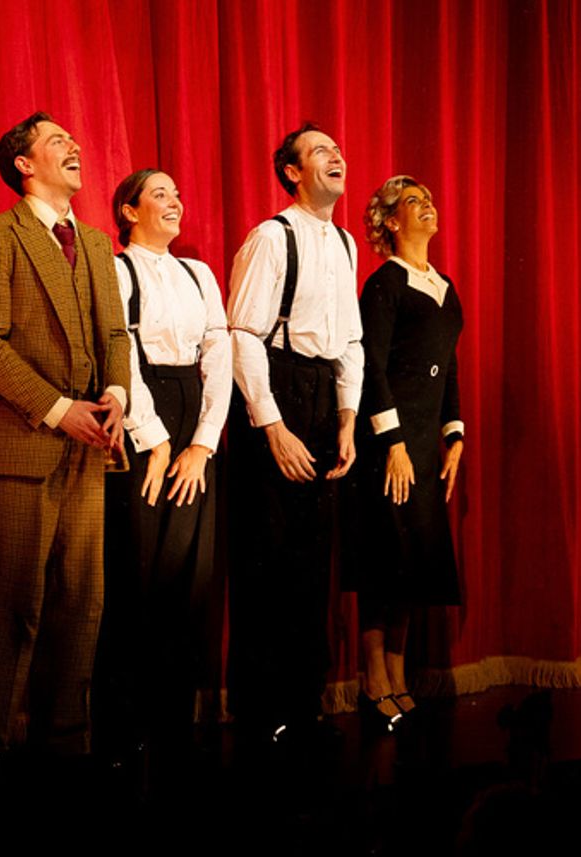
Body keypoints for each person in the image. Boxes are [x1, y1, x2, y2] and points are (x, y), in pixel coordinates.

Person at [0, 112, 131, 770]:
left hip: (91, 448)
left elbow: (115, 335)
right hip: (27, 444)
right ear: (24, 164)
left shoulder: (91, 242)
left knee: (83, 602)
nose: (75, 146)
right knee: (13, 603)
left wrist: (115, 395)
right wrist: (60, 410)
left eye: (73, 139)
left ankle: (65, 746)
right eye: (57, 141)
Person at [225, 123, 362, 743]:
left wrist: (348, 418)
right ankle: (261, 712)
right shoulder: (271, 238)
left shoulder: (346, 242)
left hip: (322, 398)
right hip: (274, 393)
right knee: (267, 560)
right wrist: (272, 425)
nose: (335, 156)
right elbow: (242, 336)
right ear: (291, 171)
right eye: (319, 152)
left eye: (337, 149)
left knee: (312, 559)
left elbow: (351, 342)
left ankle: (304, 703)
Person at [97, 168, 231, 781]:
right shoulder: (117, 269)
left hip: (193, 409)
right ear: (129, 211)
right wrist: (153, 440)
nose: (176, 201)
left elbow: (218, 353)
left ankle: (177, 724)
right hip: (141, 412)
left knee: (189, 574)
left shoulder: (199, 274)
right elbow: (119, 351)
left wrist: (202, 443)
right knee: (138, 574)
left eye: (178, 193)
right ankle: (127, 730)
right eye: (160, 194)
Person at [346, 175, 464, 728]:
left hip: (425, 440)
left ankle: (399, 670)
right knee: (386, 560)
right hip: (387, 441)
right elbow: (371, 364)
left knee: (414, 563)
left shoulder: (444, 285)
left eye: (430, 200)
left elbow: (451, 365)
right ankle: (375, 679)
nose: (428, 208)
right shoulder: (385, 284)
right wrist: (391, 442)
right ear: (392, 222)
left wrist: (454, 435)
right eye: (415, 203)